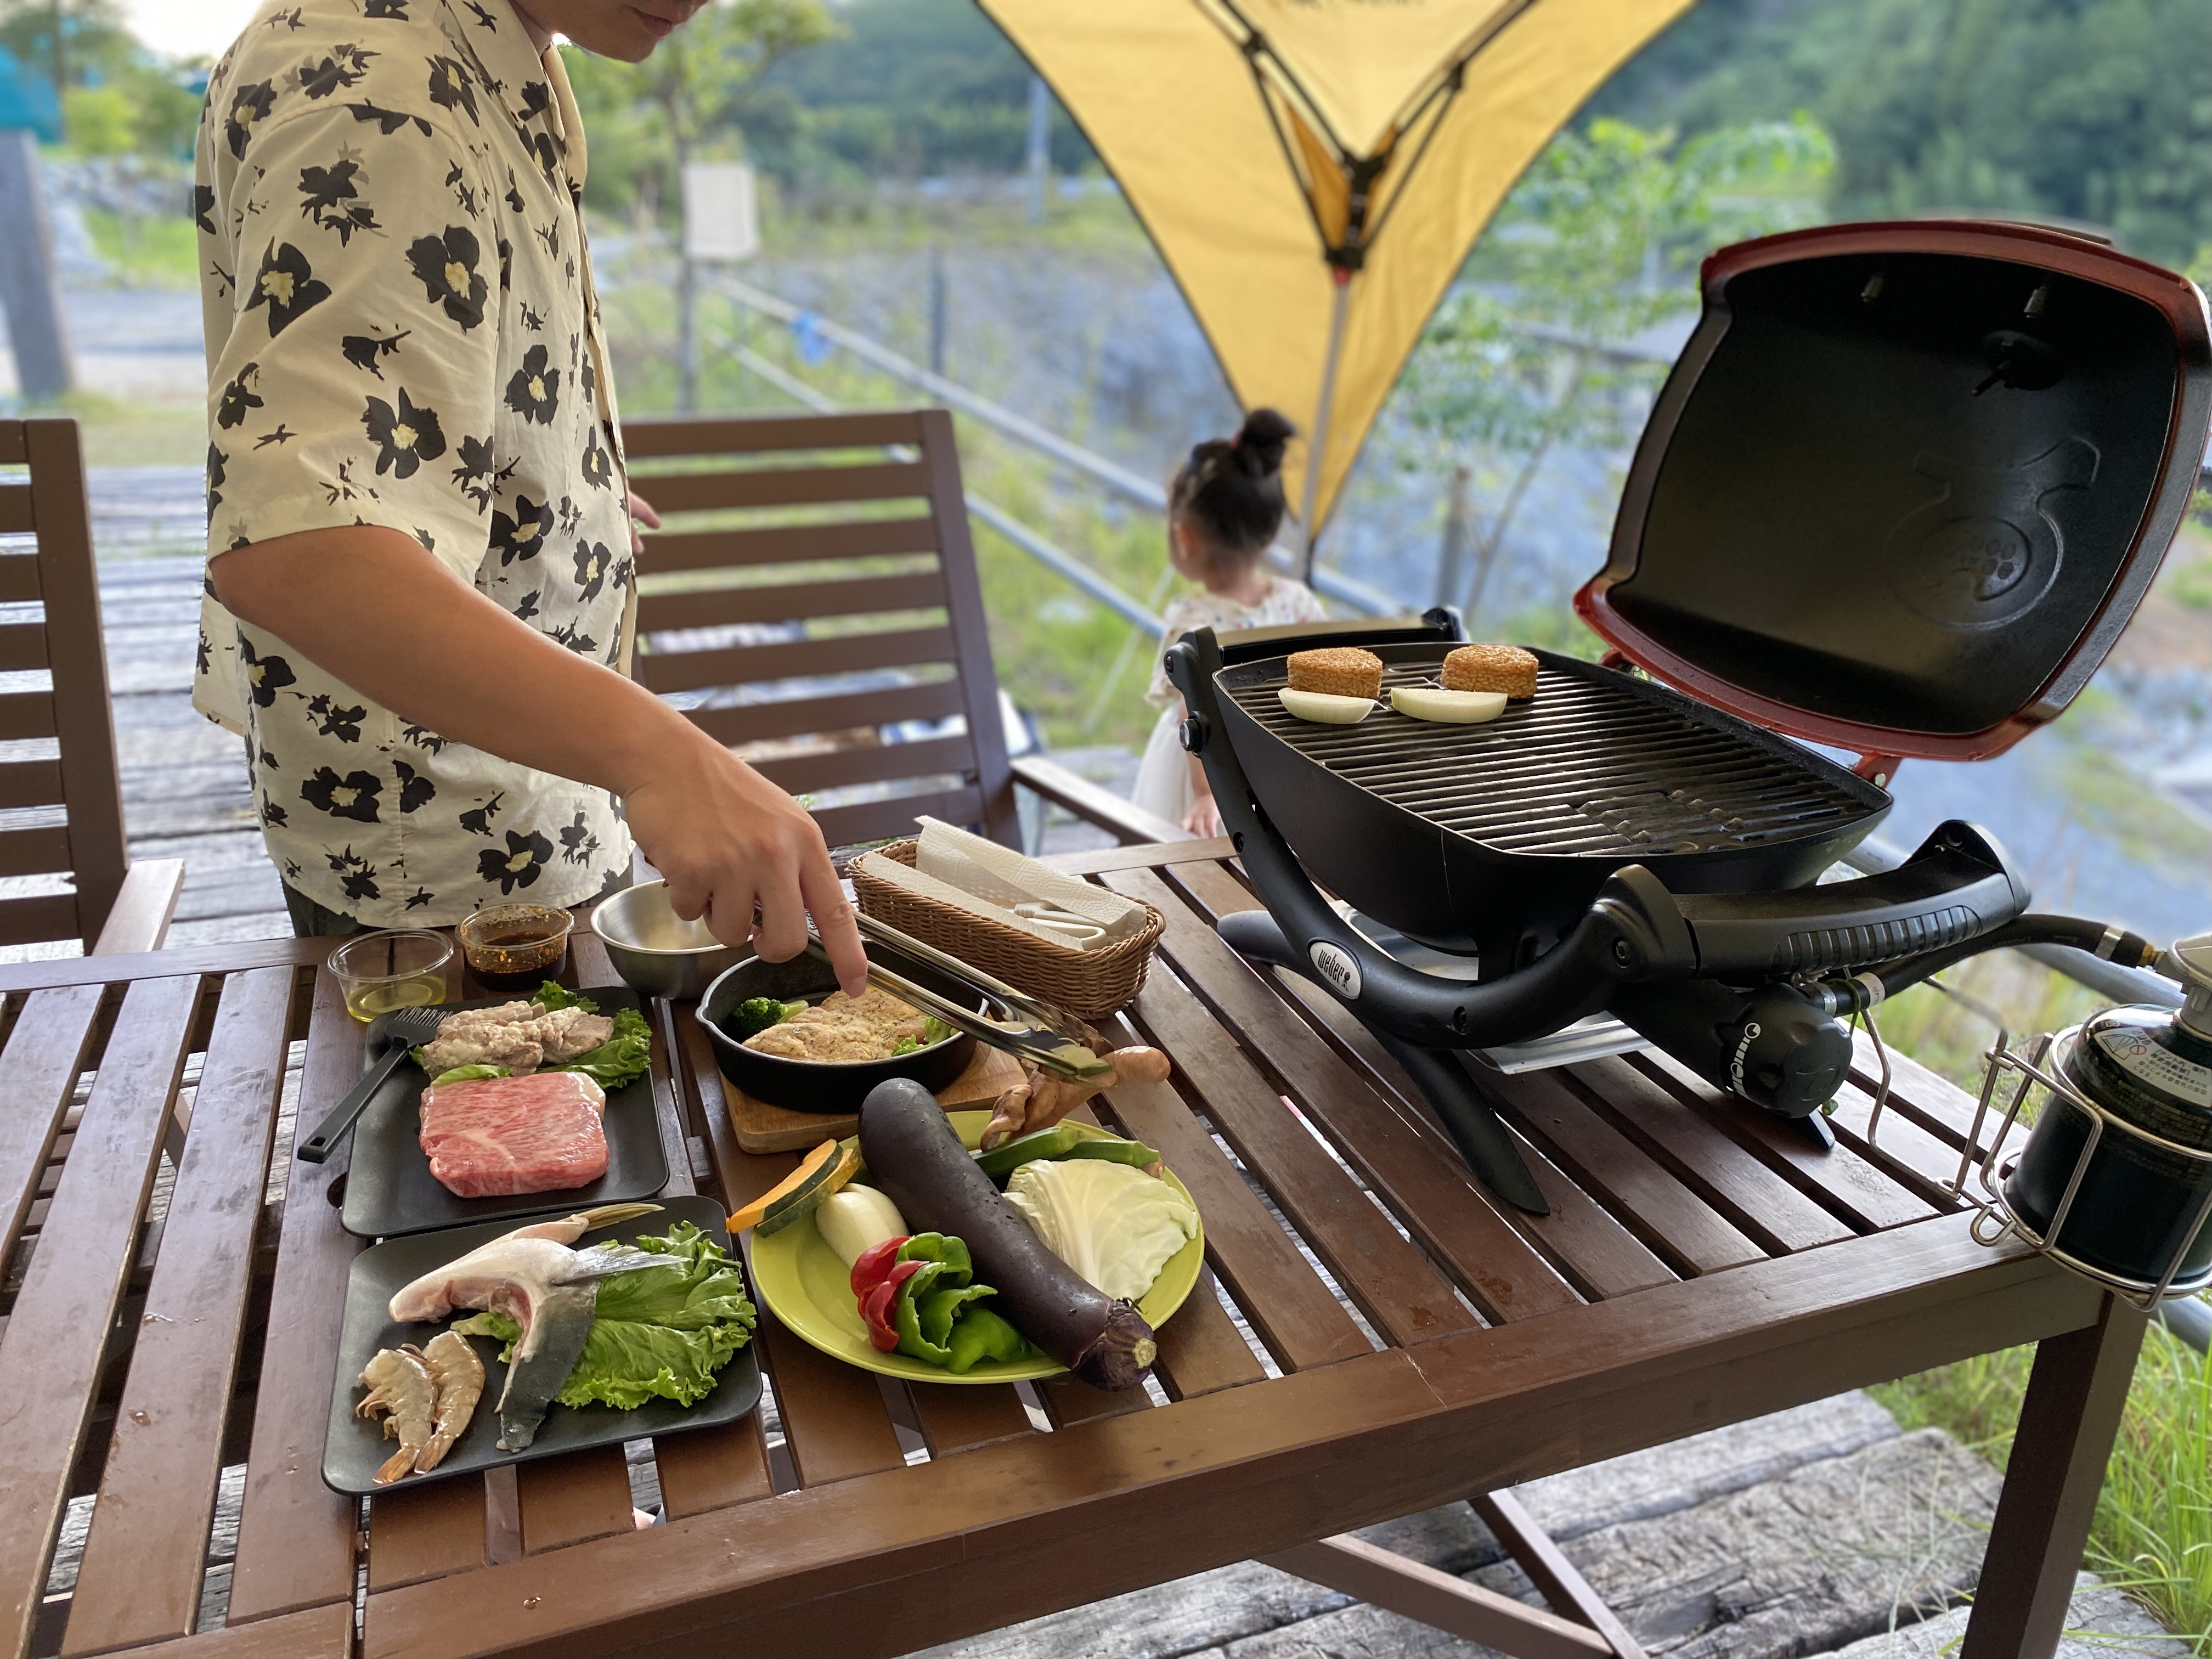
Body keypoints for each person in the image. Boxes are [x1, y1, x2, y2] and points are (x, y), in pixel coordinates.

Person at [192, 0, 866, 997]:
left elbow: (396, 410)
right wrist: (666, 758)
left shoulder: (467, 45)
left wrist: (558, 495)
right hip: (452, 840)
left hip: (513, 784)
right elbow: (300, 548)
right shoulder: (382, 89)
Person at [1131, 409, 1327, 837]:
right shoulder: (1298, 602)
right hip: (1276, 763)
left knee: (1184, 854)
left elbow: (1191, 710)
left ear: (1185, 537)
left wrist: (1205, 794)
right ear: (1270, 529)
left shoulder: (1193, 620)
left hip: (1208, 771)